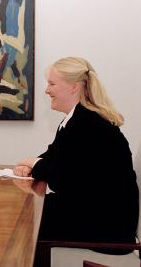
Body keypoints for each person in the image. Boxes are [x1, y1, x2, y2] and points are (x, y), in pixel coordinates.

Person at [13, 57, 139, 253]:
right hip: (93, 215)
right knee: (25, 211)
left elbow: (59, 178)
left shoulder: (88, 125)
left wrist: (32, 163)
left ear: (74, 87)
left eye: (52, 83)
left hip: (107, 228)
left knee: (24, 219)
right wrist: (32, 165)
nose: (47, 90)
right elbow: (52, 158)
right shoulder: (76, 120)